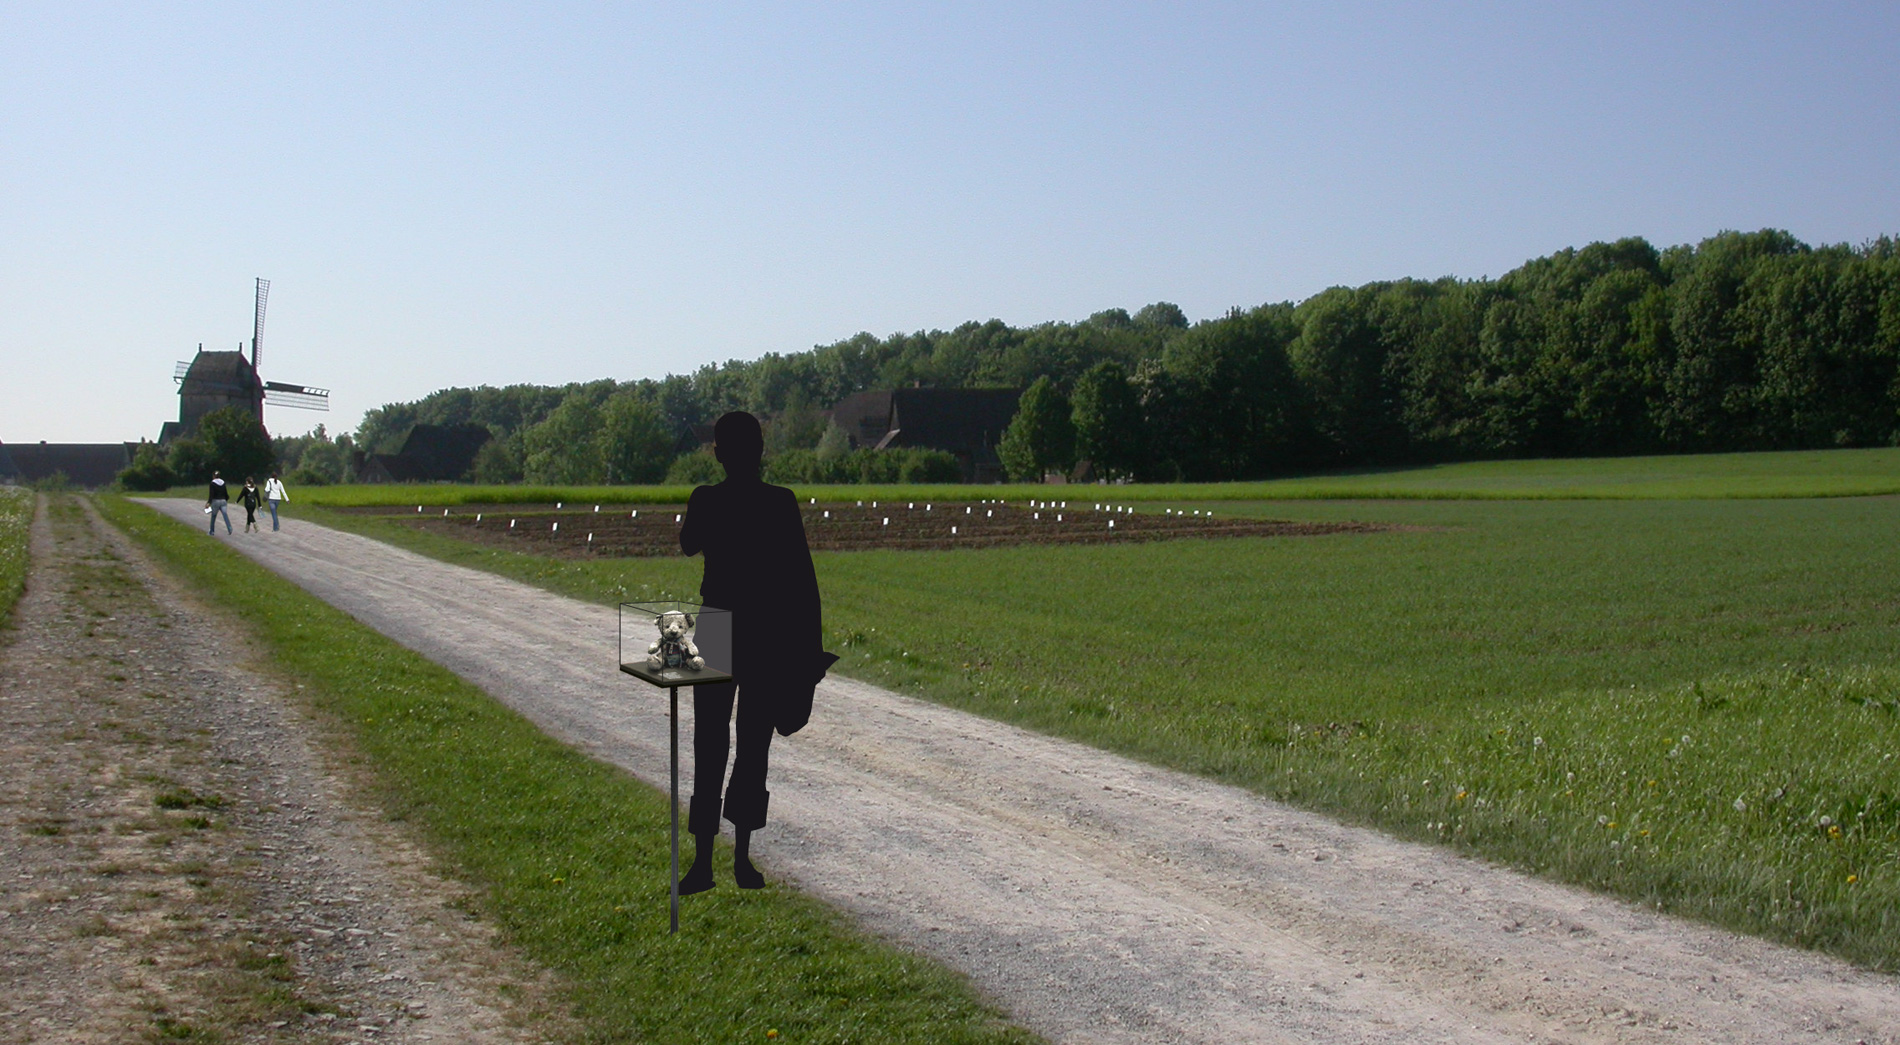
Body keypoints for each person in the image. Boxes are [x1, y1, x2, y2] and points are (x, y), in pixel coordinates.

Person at [676, 411, 836, 893]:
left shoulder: (706, 499)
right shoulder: (780, 502)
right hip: (765, 632)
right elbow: (804, 581)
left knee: (711, 745)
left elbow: (687, 544)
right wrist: (809, 646)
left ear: (720, 453)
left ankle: (704, 861)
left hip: (720, 626)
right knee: (752, 749)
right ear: (760, 452)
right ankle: (741, 859)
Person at [205, 471, 233, 535]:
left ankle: (211, 531)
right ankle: (229, 528)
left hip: (215, 501)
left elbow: (211, 494)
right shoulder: (223, 482)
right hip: (223, 501)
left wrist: (209, 502)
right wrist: (226, 499)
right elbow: (226, 493)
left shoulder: (212, 483)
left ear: (214, 476)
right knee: (225, 515)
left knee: (214, 516)